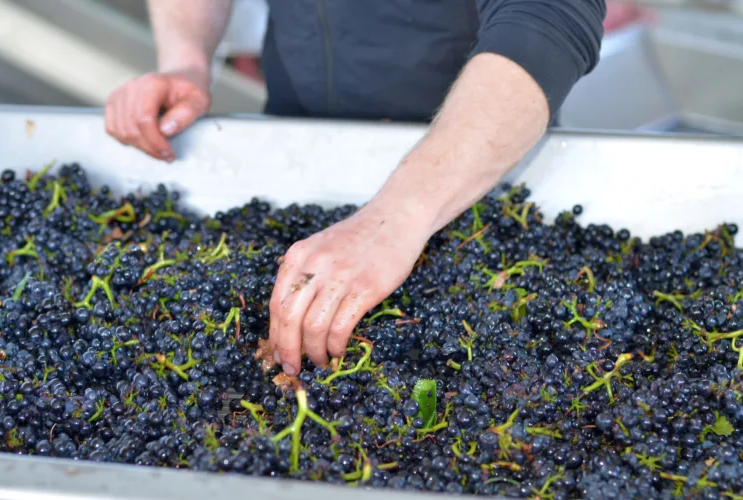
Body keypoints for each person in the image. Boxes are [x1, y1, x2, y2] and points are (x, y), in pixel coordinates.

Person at [106, 0, 624, 377]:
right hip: (299, 145)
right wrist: (186, 60)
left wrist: (399, 215)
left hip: (476, 171)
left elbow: (546, 19)